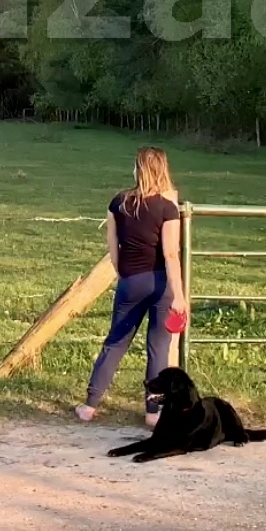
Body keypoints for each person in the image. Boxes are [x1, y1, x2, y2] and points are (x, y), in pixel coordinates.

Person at [76, 146, 188, 426]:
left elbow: (113, 248)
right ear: (163, 170)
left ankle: (90, 405)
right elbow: (171, 253)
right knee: (158, 348)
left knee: (115, 343)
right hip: (160, 283)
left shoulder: (119, 203)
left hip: (130, 282)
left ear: (137, 169)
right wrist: (179, 294)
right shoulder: (168, 208)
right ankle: (153, 413)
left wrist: (123, 272)